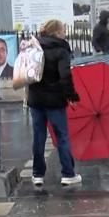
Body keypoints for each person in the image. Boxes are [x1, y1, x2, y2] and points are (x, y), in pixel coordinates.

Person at [28, 19, 82, 187]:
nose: (65, 32)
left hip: (36, 98)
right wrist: (72, 96)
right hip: (55, 100)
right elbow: (65, 76)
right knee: (62, 136)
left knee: (39, 137)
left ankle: (37, 174)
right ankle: (68, 174)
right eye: (64, 29)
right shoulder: (61, 49)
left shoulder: (35, 46)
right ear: (57, 32)